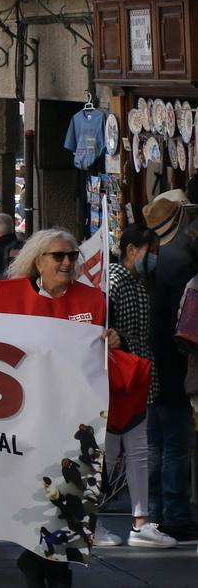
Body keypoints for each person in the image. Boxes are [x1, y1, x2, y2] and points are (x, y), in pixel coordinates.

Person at [0, 230, 120, 586]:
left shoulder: (94, 299)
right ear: (39, 260)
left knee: (71, 494)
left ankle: (56, 565)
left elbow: (108, 353)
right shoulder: (7, 296)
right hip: (25, 413)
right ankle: (36, 560)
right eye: (58, 256)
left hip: (75, 414)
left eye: (72, 256)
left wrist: (113, 339)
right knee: (37, 493)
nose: (67, 262)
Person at [95, 224, 175, 549]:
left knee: (137, 451)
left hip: (137, 376)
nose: (154, 257)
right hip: (121, 378)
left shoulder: (137, 281)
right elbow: (106, 327)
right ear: (132, 249)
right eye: (150, 250)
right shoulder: (115, 281)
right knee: (111, 454)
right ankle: (92, 519)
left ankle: (140, 521)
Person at [144, 189, 198, 541]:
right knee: (176, 444)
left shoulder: (156, 258)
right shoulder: (183, 259)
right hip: (174, 365)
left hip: (152, 366)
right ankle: (175, 515)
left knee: (157, 444)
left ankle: (155, 512)